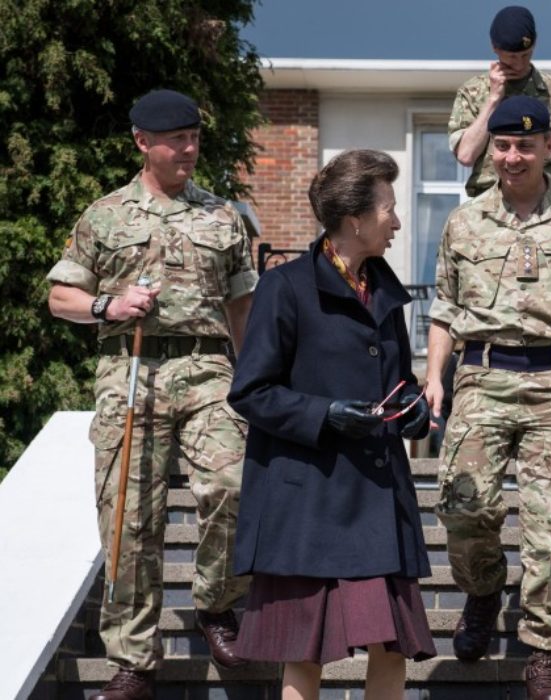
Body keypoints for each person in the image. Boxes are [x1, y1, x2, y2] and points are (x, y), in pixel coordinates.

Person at [47, 89, 255, 700]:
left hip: (210, 371)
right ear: (143, 142)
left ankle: (216, 605)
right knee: (130, 519)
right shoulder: (105, 215)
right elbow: (62, 298)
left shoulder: (223, 218)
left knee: (234, 485)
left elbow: (242, 307)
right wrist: (108, 304)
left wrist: (255, 384)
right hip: (131, 373)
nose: (189, 149)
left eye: (194, 137)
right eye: (176, 140)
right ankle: (134, 659)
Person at [227, 149, 435, 700]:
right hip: (308, 504)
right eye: (390, 207)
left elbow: (397, 379)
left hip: (377, 495)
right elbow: (250, 391)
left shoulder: (385, 289)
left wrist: (412, 407)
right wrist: (324, 414)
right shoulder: (285, 287)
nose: (397, 219)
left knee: (392, 648)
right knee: (304, 656)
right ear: (355, 220)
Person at [427, 96, 551, 700]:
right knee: (463, 506)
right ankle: (483, 591)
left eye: (524, 147)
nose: (511, 157)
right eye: (502, 146)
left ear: (549, 148)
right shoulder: (465, 221)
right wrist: (434, 377)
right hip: (479, 377)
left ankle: (543, 651)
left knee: (549, 525)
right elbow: (445, 310)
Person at [449, 5, 551, 197]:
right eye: (512, 56)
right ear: (495, 48)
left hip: (542, 202)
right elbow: (466, 155)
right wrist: (493, 99)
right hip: (489, 203)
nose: (519, 63)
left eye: (526, 54)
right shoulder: (472, 92)